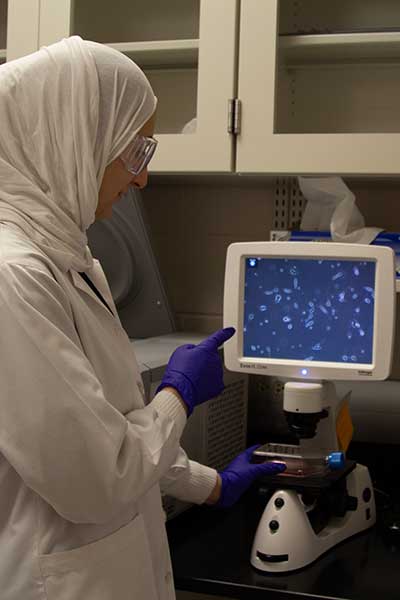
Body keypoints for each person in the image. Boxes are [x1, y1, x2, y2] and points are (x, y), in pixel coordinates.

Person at [0, 36, 284, 600]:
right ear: (74, 134)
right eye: (137, 151)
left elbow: (116, 424)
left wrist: (210, 486)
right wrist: (177, 392)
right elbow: (100, 476)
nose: (141, 178)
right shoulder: (14, 277)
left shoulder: (66, 258)